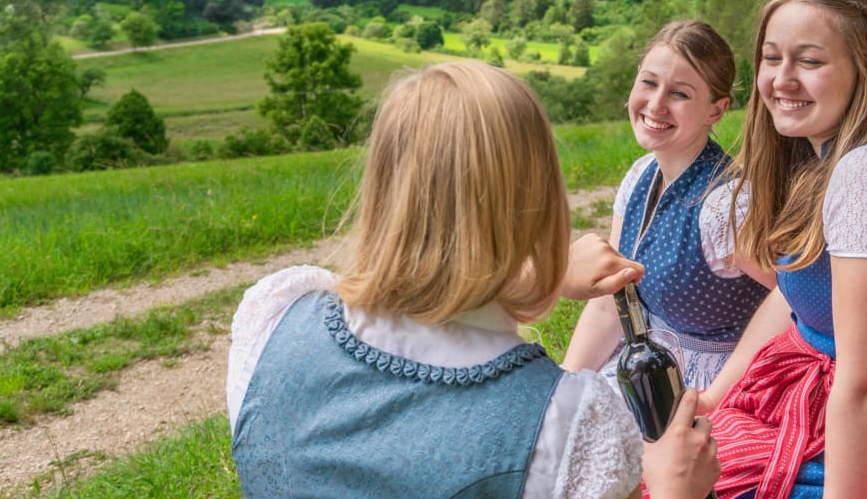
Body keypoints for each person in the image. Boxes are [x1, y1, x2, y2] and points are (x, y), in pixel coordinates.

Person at [226, 60, 719, 499]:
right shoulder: (569, 425)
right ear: (538, 198)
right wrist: (678, 490)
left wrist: (538, 280)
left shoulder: (275, 317)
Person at [697, 0, 867, 498]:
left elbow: (864, 386)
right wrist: (716, 396)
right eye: (772, 58)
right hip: (800, 390)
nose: (781, 80)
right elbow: (795, 298)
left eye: (810, 61)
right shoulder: (823, 152)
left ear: (866, 69)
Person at [563, 20, 773, 389]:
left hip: (713, 387)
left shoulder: (726, 206)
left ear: (716, 110)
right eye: (649, 82)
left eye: (680, 94)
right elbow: (609, 305)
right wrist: (563, 390)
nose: (656, 104)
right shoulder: (641, 175)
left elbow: (795, 300)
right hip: (645, 370)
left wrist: (721, 396)